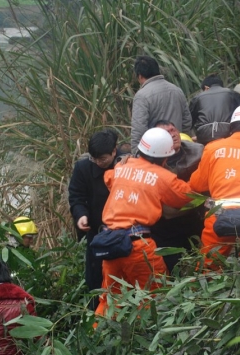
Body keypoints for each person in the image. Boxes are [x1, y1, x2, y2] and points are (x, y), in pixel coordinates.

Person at [95, 128, 193, 316]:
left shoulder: (123, 165)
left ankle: (99, 336)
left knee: (110, 300)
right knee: (154, 297)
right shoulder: (163, 177)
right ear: (165, 157)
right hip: (138, 246)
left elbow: (109, 179)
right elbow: (186, 196)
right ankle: (149, 339)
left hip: (110, 243)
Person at [189, 104, 240, 268]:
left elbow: (197, 185)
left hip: (218, 216)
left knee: (209, 267)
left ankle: (210, 290)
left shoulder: (212, 148)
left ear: (231, 126)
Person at [68, 129, 120, 310]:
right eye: (94, 158)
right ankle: (95, 314)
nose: (98, 162)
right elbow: (76, 195)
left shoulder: (126, 164)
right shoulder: (83, 167)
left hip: (123, 232)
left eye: (103, 159)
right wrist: (81, 215)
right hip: (96, 231)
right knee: (95, 278)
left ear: (114, 151)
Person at [151, 120, 204, 272]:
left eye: (173, 129)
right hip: (164, 228)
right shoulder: (150, 160)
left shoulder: (198, 152)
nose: (173, 134)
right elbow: (167, 211)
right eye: (167, 132)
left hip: (194, 221)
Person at [130, 55, 192, 153]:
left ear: (140, 76)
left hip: (156, 152)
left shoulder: (142, 95)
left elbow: (138, 128)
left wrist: (136, 154)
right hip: (177, 149)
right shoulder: (177, 90)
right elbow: (187, 121)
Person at [189, 74, 240, 145]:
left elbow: (189, 122)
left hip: (205, 135)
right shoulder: (233, 94)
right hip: (228, 134)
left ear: (206, 88)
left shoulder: (197, 98)